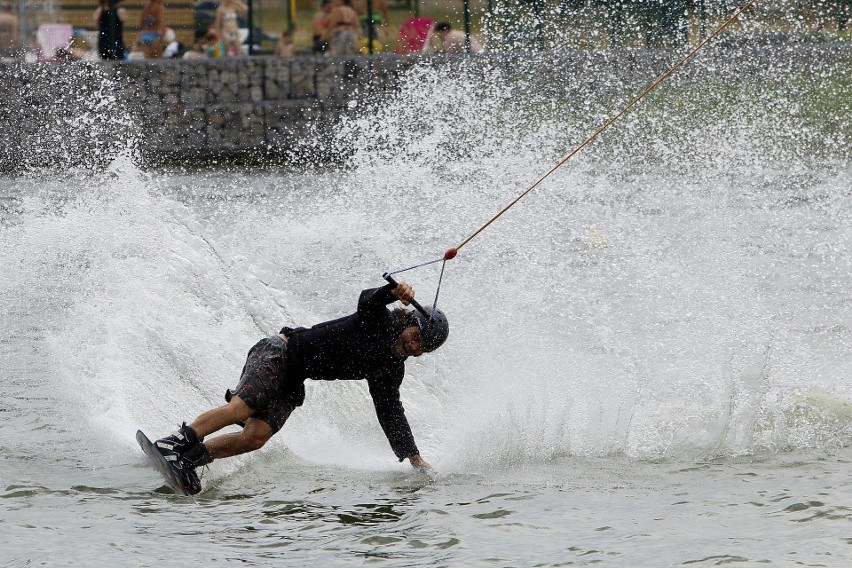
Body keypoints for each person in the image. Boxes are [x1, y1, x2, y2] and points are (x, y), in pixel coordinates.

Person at [153, 281, 449, 495]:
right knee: (243, 408)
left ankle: (189, 460)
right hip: (280, 352)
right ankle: (175, 442)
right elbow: (367, 300)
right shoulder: (379, 321)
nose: (414, 345)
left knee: (255, 437)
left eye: (422, 347)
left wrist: (413, 456)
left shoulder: (389, 370)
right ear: (410, 322)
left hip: (294, 378)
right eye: (416, 335)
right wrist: (393, 292)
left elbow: (390, 412)